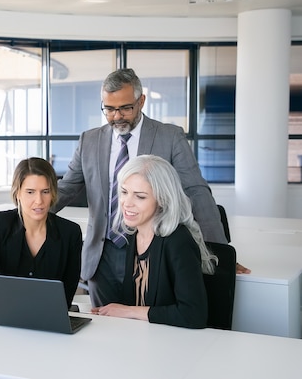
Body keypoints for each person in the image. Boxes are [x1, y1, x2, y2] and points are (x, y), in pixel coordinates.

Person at [53, 68, 249, 307]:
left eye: (125, 108)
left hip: (153, 251)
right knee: (105, 328)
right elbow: (68, 187)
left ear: (141, 101)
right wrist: (33, 209)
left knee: (150, 326)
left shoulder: (169, 136)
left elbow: (196, 191)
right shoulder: (89, 140)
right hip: (103, 256)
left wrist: (220, 252)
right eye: (109, 109)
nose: (117, 117)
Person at [94, 155, 215, 329]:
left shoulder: (178, 241)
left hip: (174, 343)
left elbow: (193, 315)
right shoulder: (135, 235)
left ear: (162, 200)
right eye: (124, 192)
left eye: (140, 197)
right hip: (144, 337)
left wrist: (128, 311)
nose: (127, 203)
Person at [0, 157, 82, 306]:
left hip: (43, 314)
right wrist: (5, 288)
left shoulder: (70, 233)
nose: (39, 200)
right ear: (18, 193)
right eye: (30, 192)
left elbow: (67, 293)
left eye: (45, 191)